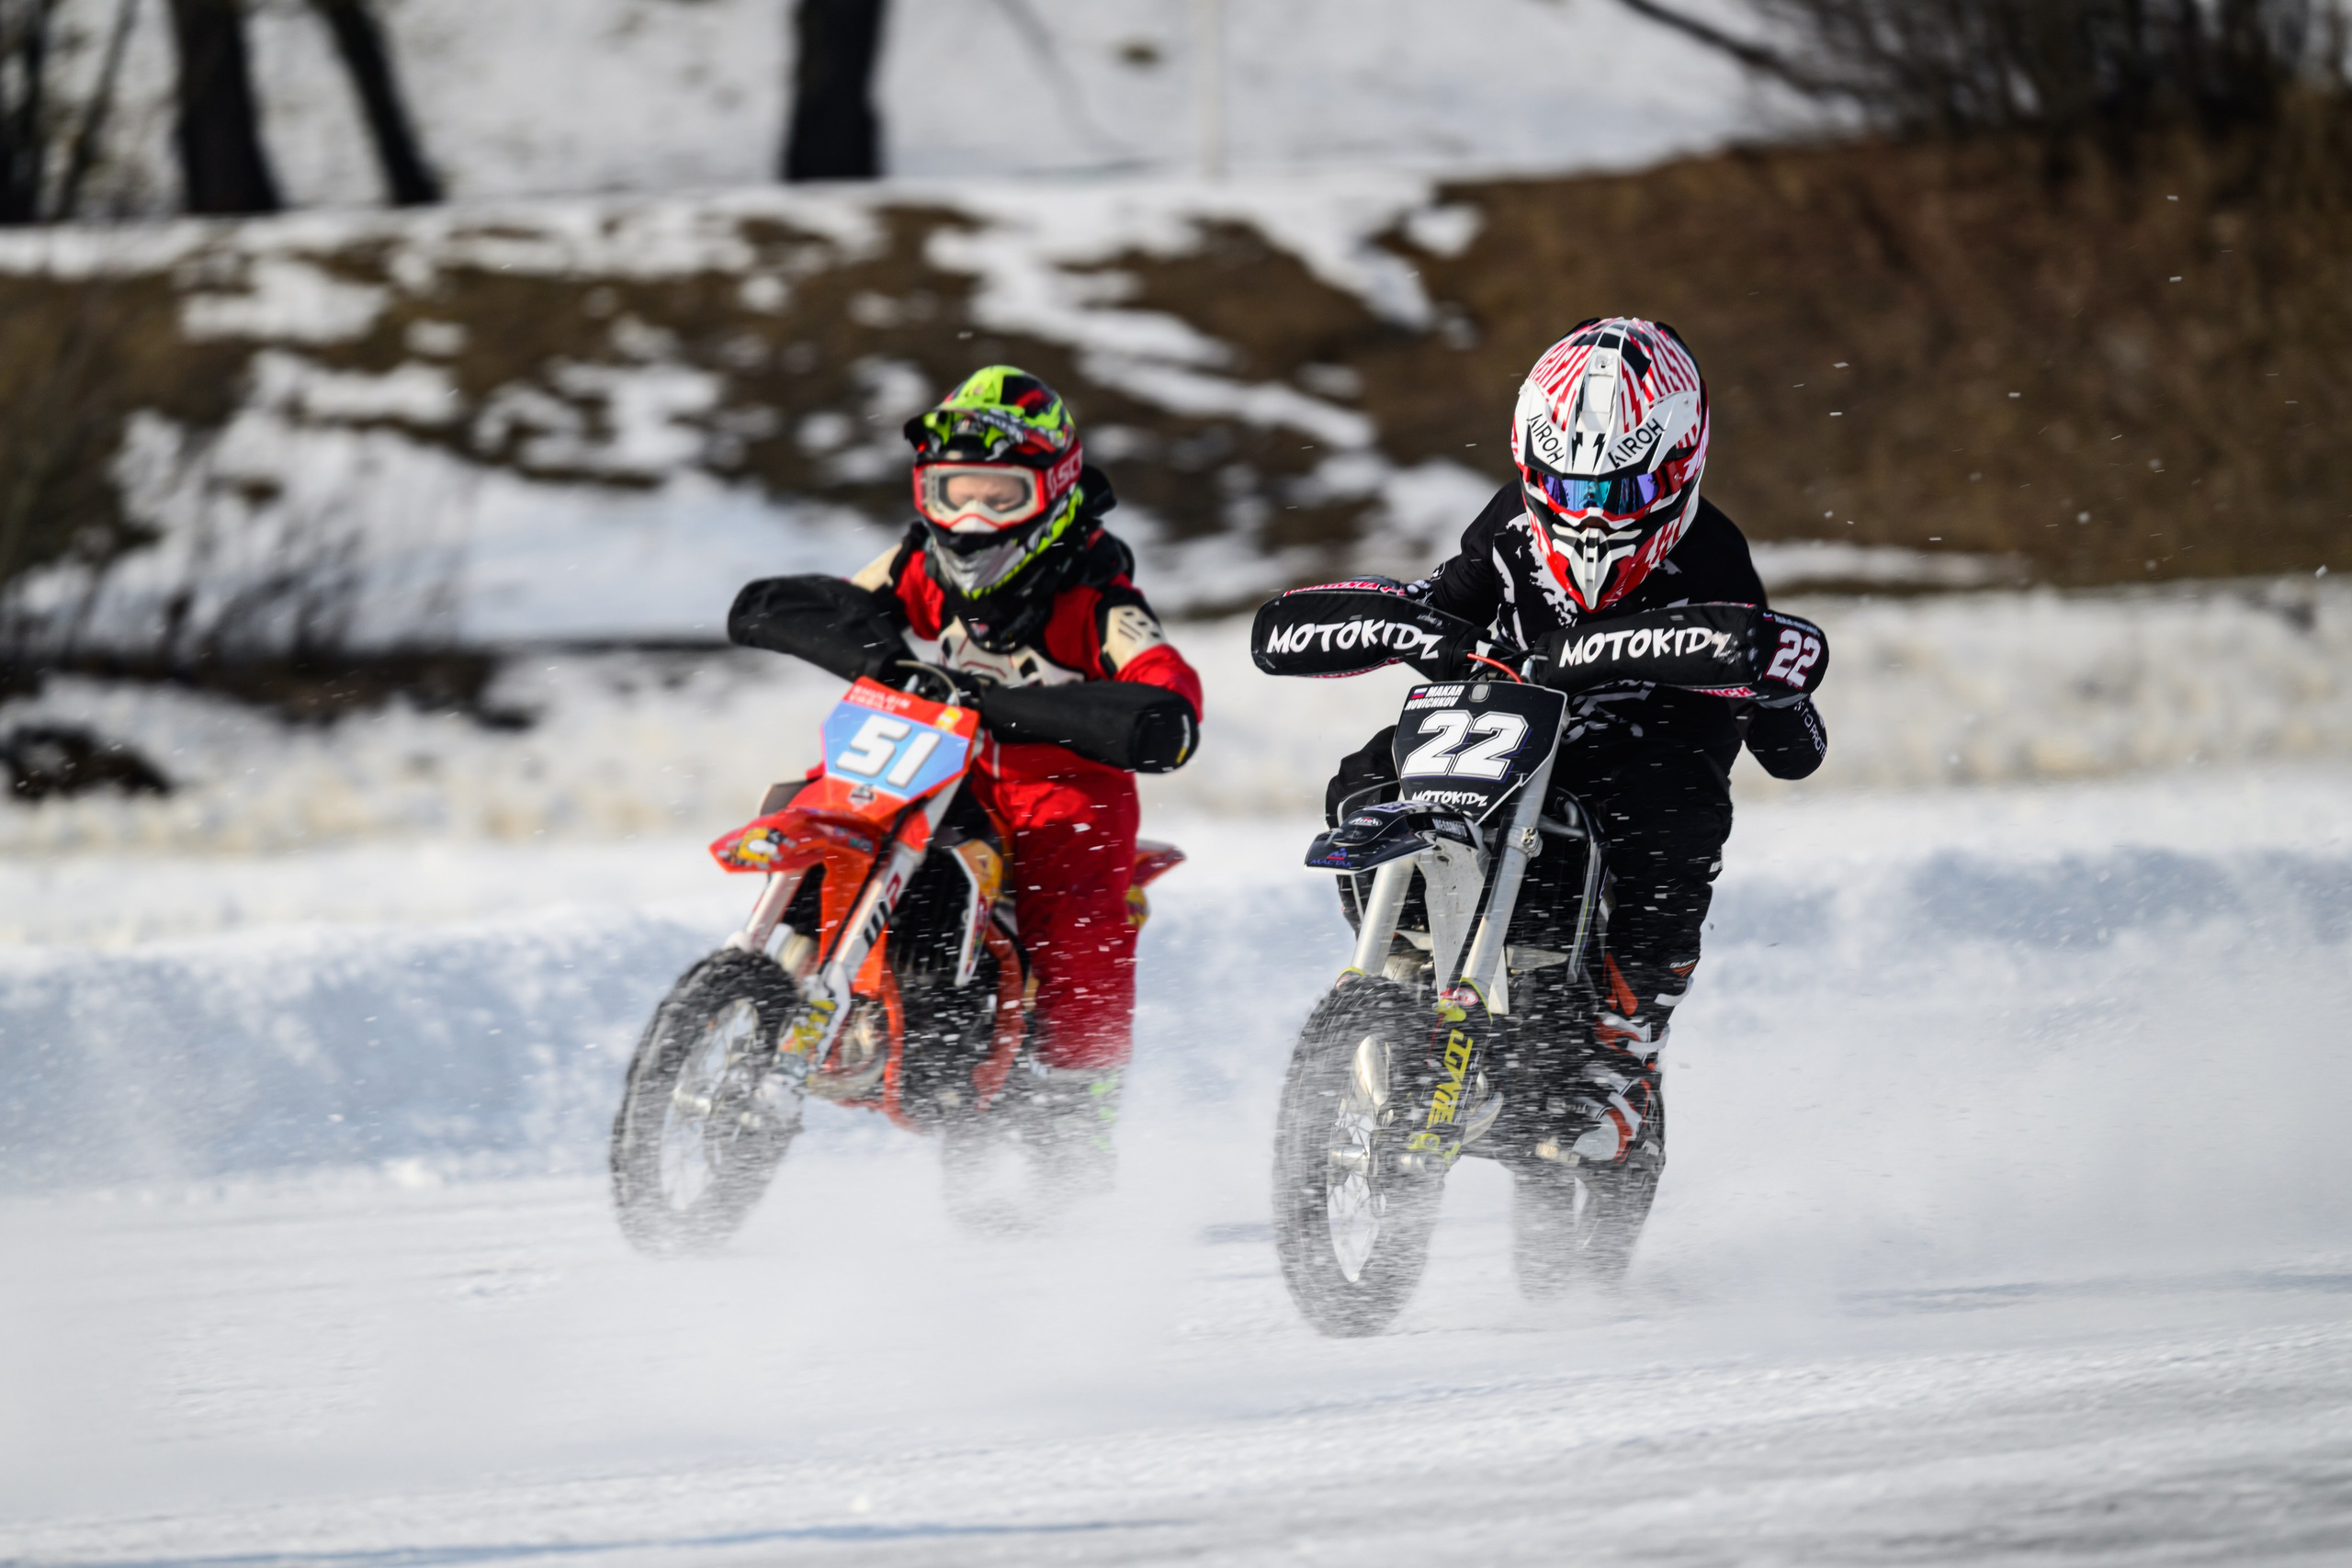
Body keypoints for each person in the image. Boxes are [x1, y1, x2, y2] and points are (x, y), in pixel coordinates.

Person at [1322, 317, 1827, 1169]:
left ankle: (1624, 1039)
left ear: (1678, 471)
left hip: (1645, 739)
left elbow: (1788, 723)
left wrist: (1777, 694)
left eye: (1618, 495)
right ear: (1530, 464)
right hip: (1508, 719)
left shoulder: (1713, 555)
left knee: (1676, 811)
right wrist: (1403, 622)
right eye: (1568, 489)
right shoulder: (1507, 527)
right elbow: (1450, 596)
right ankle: (1400, 956)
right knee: (1364, 777)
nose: (1591, 519)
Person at [726, 366, 1203, 1182]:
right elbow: (830, 601)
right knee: (821, 792)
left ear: (1052, 494)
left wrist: (1110, 711)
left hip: (1059, 780)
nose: (971, 517)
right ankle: (773, 973)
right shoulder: (918, 563)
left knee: (1074, 908)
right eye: (953, 492)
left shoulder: (1093, 594)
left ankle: (1080, 1103)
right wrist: (866, 650)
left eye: (999, 495)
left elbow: (1166, 694)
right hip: (929, 744)